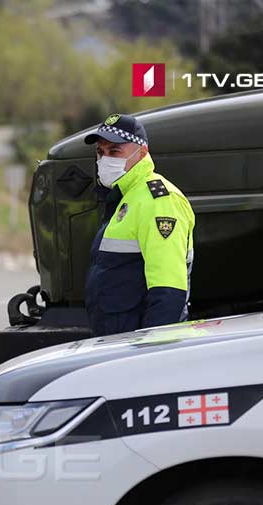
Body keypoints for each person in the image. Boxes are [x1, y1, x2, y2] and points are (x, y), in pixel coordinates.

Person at [83, 113, 195, 337]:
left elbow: (168, 290)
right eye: (100, 152)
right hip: (119, 337)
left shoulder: (158, 201)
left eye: (114, 151)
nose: (104, 159)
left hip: (138, 344)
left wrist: (150, 351)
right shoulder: (126, 196)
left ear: (142, 152)